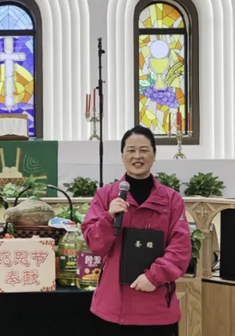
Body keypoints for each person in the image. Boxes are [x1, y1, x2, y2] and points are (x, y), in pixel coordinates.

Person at [82, 125, 191, 336]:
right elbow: (94, 244)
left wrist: (154, 277)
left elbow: (181, 248)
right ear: (122, 155)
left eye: (144, 150)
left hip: (156, 305)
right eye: (131, 150)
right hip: (114, 306)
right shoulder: (106, 196)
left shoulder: (171, 199)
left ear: (154, 154)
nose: (137, 156)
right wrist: (108, 217)